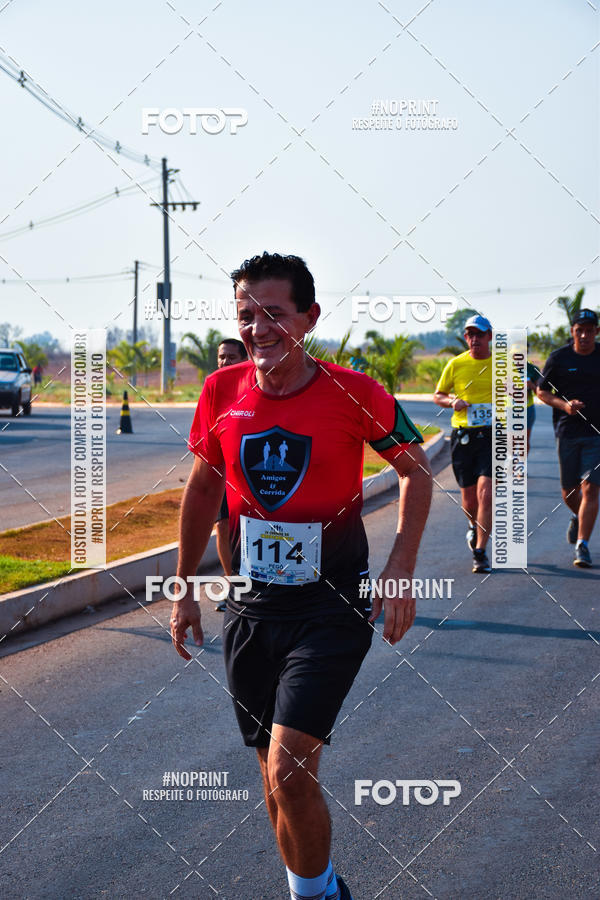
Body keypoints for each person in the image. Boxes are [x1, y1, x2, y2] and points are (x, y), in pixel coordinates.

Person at [171, 252, 432, 900]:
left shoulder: (355, 391)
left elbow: (416, 470)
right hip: (251, 614)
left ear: (309, 318)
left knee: (289, 768)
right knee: (273, 778)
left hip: (330, 610)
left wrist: (400, 567)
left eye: (274, 314)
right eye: (246, 315)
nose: (259, 328)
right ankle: (315, 889)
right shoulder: (220, 392)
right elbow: (203, 490)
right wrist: (183, 590)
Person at [536, 308, 600, 568]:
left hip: (597, 434)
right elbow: (541, 391)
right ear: (572, 332)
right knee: (569, 493)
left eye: (589, 331)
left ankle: (582, 545)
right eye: (579, 330)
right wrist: (563, 405)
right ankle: (579, 517)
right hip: (567, 432)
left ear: (596, 332)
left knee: (591, 488)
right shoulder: (558, 358)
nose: (584, 335)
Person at [433, 314, 493, 574]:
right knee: (469, 498)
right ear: (466, 338)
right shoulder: (456, 364)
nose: (475, 339)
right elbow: (438, 395)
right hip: (464, 437)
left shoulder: (501, 365)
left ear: (489, 336)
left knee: (486, 493)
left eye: (480, 334)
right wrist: (452, 402)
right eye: (471, 335)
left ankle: (480, 552)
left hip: (492, 436)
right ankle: (472, 525)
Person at [213, 339, 248, 610]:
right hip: (220, 473)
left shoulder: (254, 388)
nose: (225, 362)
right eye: (222, 357)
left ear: (245, 359)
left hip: (248, 474)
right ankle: (232, 585)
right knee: (222, 527)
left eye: (231, 357)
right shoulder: (214, 391)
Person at [526, 358, 542, 456]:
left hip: (527, 408)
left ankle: (521, 467)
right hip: (508, 409)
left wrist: (531, 385)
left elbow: (541, 393)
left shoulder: (532, 369)